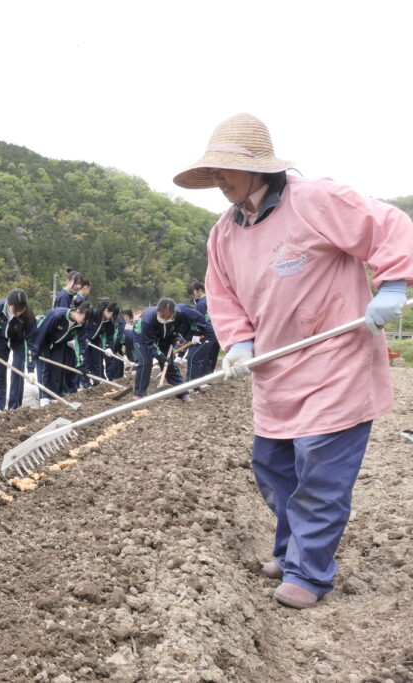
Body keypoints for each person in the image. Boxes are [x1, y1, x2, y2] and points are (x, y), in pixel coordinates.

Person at [174, 112, 413, 609]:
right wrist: (238, 343)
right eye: (212, 173)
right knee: (273, 467)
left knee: (321, 476)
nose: (218, 181)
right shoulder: (224, 233)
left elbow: (388, 225)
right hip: (276, 371)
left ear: (260, 167)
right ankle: (290, 551)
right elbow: (221, 295)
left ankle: (309, 572)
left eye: (225, 171)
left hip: (336, 362)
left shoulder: (316, 201)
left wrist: (392, 283)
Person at [132, 298, 212, 401]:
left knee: (169, 363)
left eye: (168, 317)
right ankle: (139, 393)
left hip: (165, 338)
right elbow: (149, 343)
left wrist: (175, 337)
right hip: (142, 337)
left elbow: (177, 328)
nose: (165, 319)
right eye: (162, 316)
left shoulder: (178, 315)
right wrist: (160, 356)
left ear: (173, 314)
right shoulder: (148, 319)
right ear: (157, 312)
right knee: (145, 362)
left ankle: (182, 393)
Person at [0, 288, 36, 412]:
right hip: (1, 339)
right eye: (14, 310)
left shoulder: (28, 316)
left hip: (19, 342)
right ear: (8, 303)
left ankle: (14, 408)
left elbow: (31, 342)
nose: (17, 314)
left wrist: (31, 369)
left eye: (20, 310)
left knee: (17, 371)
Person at [29, 303, 89, 405]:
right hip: (43, 342)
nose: (85, 321)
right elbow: (40, 334)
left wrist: (81, 363)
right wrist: (32, 360)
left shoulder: (80, 324)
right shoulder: (57, 315)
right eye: (85, 318)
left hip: (58, 344)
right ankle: (44, 397)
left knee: (57, 368)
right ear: (78, 311)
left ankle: (53, 396)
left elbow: (81, 343)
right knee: (45, 368)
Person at [187, 280, 220, 381]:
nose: (193, 295)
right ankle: (208, 379)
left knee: (198, 357)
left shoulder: (201, 303)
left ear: (200, 290)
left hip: (206, 333)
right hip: (217, 331)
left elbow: (199, 320)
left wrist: (196, 334)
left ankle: (196, 382)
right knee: (211, 356)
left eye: (193, 293)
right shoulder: (211, 299)